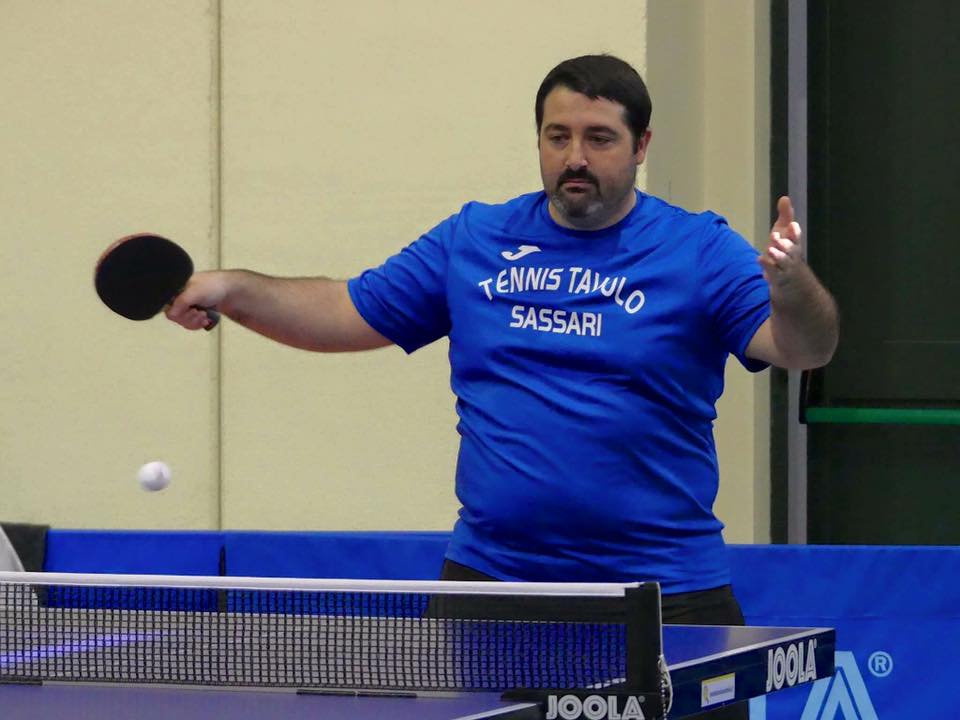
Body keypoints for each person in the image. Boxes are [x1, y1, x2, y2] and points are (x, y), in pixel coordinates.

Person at [167, 55, 837, 719]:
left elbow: (804, 348)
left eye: (599, 138)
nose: (575, 157)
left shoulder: (699, 249)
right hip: (493, 592)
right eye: (557, 136)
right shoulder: (475, 240)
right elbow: (343, 312)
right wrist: (232, 289)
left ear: (641, 146)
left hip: (666, 597)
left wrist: (791, 285)